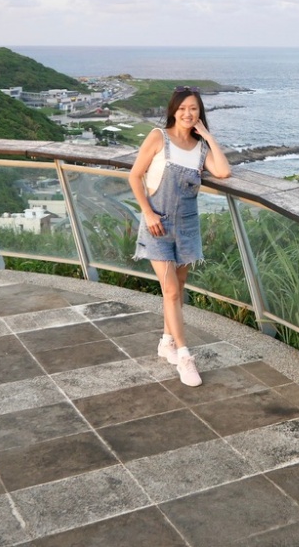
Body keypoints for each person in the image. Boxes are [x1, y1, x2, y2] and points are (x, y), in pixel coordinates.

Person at [129, 86, 231, 386]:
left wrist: (209, 136)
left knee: (178, 286)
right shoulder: (158, 137)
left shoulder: (201, 149)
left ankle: (166, 341)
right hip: (157, 224)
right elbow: (135, 175)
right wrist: (147, 214)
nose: (188, 114)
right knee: (171, 291)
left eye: (194, 109)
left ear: (200, 115)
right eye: (184, 108)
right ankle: (185, 357)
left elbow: (223, 172)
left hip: (187, 226)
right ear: (174, 110)